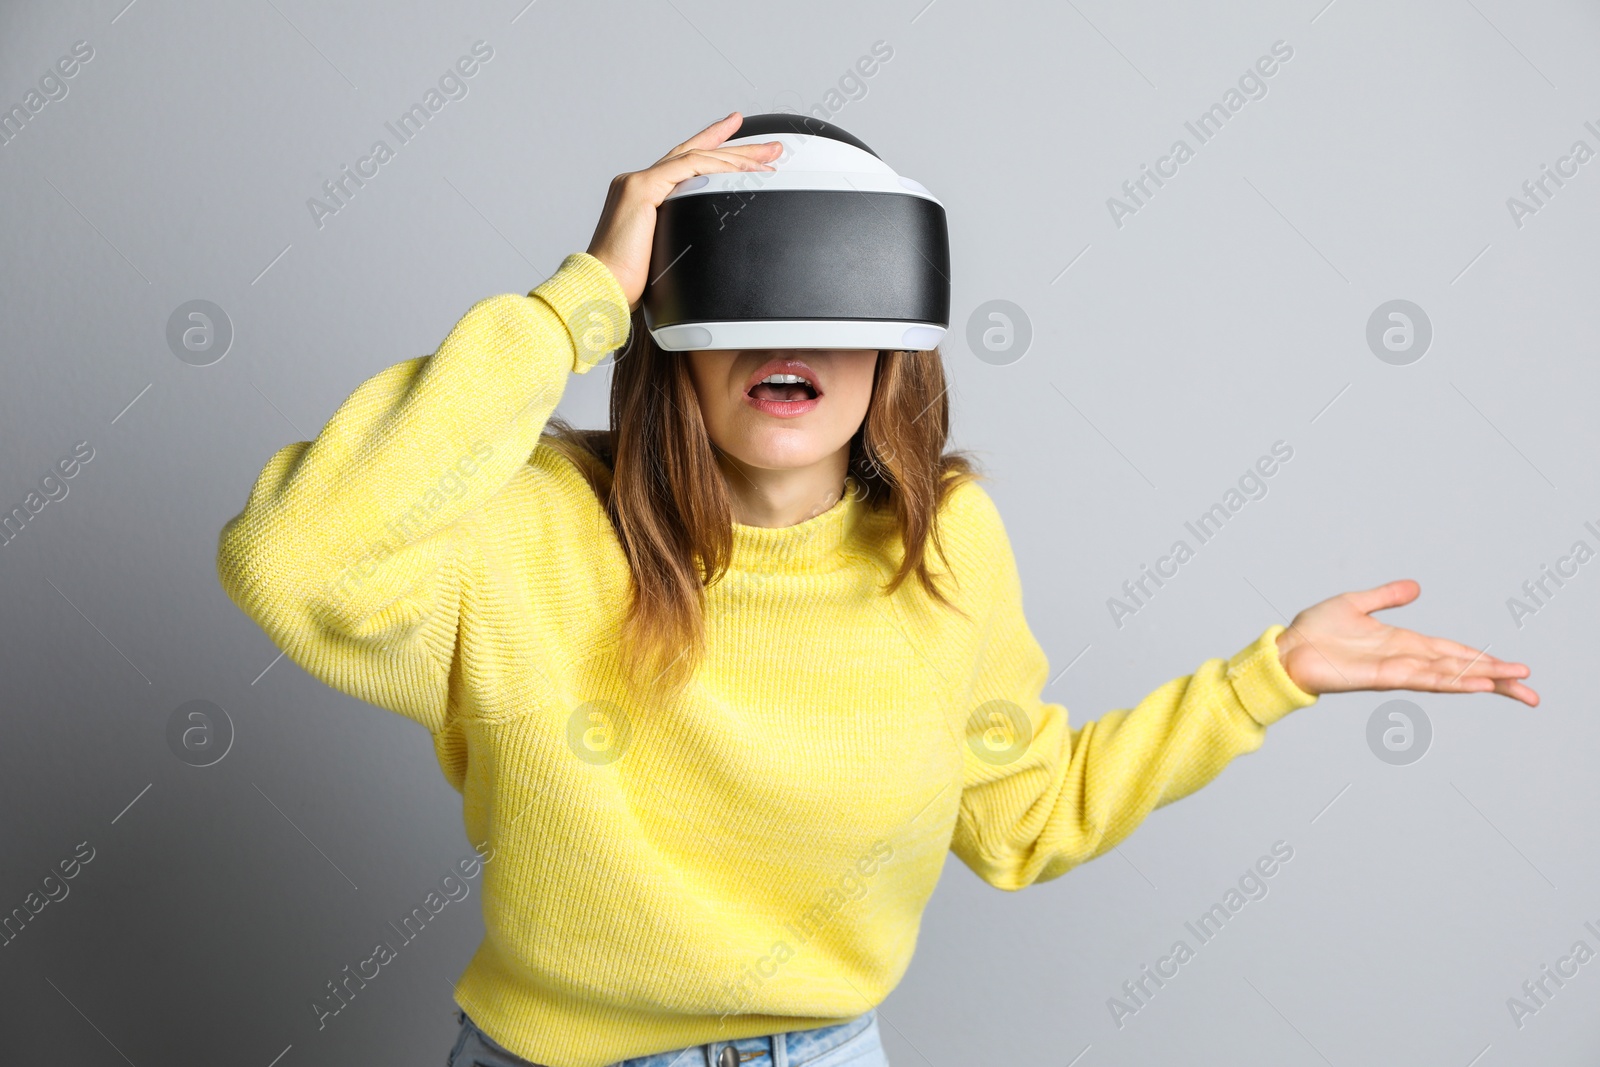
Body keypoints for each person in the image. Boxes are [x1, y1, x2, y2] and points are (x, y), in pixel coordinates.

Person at [214, 112, 1538, 1067]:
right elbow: (295, 558)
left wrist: (1270, 678)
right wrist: (580, 301)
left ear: (894, 341)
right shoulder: (533, 529)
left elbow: (1026, 821)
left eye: (835, 295)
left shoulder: (947, 540)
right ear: (672, 331)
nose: (790, 337)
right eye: (747, 291)